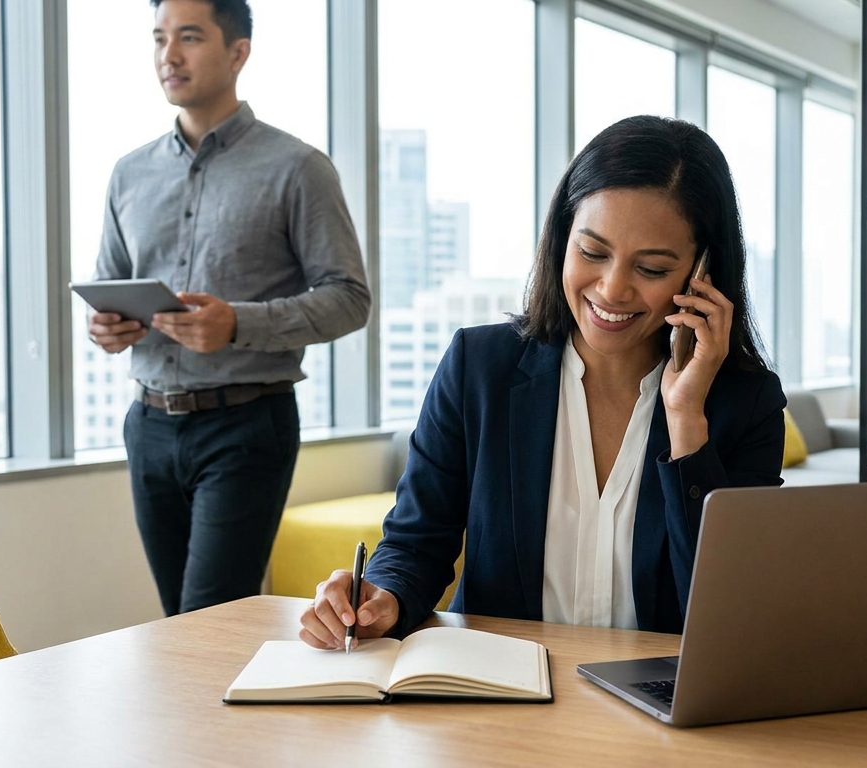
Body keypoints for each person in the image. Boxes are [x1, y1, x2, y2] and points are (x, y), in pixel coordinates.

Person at [300, 115, 784, 647]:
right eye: (592, 253)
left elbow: (731, 609)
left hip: (660, 710)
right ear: (561, 239)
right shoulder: (479, 366)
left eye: (650, 268)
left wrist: (687, 420)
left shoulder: (748, 404)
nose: (611, 289)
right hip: (502, 697)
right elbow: (417, 541)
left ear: (703, 271)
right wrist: (382, 598)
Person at [88, 0, 371, 616]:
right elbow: (109, 286)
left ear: (238, 51)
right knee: (178, 622)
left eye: (189, 37)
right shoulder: (128, 174)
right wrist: (107, 326)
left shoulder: (298, 168)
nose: (169, 55)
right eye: (159, 38)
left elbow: (350, 299)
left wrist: (237, 323)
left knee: (210, 618)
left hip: (246, 426)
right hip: (149, 427)